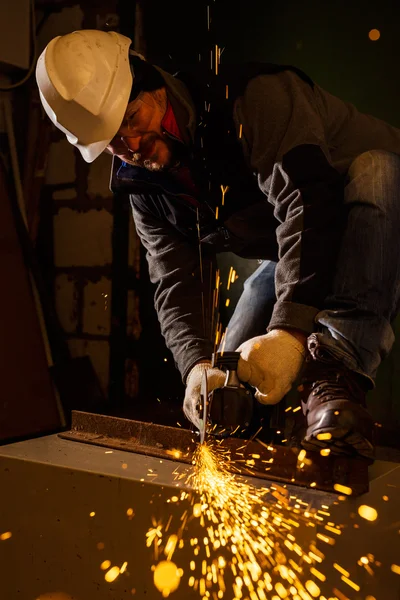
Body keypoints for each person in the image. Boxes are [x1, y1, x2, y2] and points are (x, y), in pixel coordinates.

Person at [36, 29, 400, 459]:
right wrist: (196, 368)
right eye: (112, 141)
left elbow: (307, 204)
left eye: (131, 120)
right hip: (299, 248)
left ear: (155, 86)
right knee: (229, 385)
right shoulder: (144, 189)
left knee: (379, 170)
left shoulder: (254, 98)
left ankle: (337, 381)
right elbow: (175, 281)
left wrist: (290, 332)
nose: (130, 146)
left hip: (380, 219)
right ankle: (259, 437)